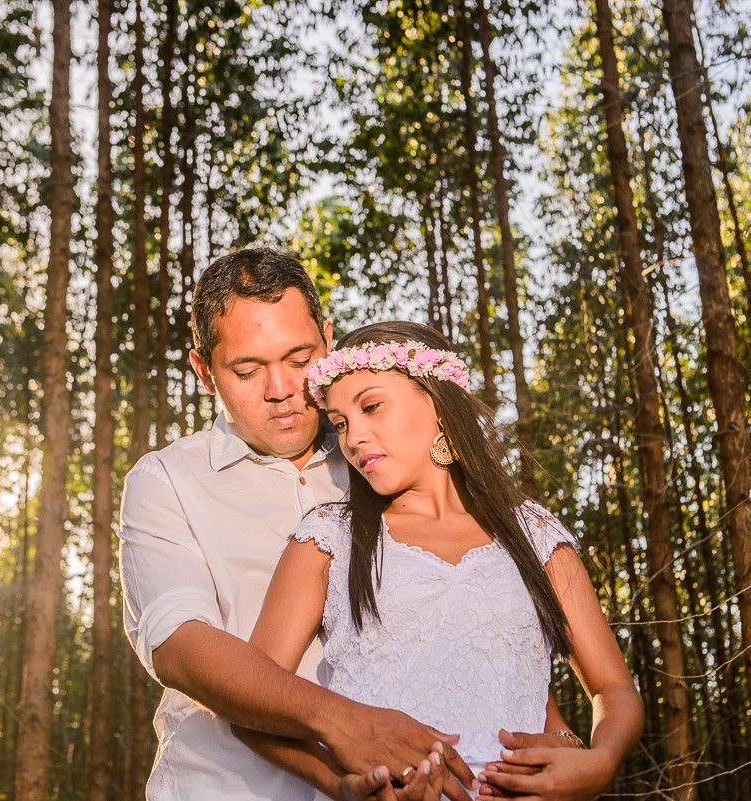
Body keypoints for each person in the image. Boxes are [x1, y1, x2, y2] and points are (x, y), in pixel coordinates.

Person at [118, 249, 560, 801]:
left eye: (299, 358)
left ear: (328, 342)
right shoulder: (165, 480)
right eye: (248, 370)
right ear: (204, 370)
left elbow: (484, 612)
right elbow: (179, 646)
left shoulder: (383, 457)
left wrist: (556, 733)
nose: (280, 388)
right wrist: (342, 720)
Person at [242, 321, 644, 800]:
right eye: (341, 423)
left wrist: (599, 763)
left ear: (436, 401)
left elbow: (613, 689)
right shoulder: (328, 538)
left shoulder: (533, 534)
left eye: (371, 406)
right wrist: (340, 784)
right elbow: (252, 704)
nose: (353, 438)